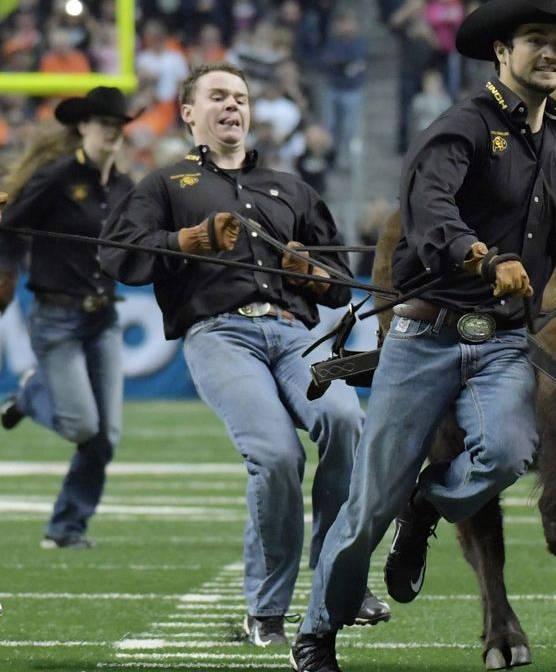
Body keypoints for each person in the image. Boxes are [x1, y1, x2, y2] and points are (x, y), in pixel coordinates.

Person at [290, 0, 556, 672]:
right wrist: (481, 257)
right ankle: (317, 632)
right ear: (501, 50)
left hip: (502, 346)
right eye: (537, 41)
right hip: (425, 337)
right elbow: (428, 209)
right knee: (369, 505)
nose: (552, 53)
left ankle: (426, 505)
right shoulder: (459, 127)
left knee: (509, 453)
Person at [99, 63, 390, 647]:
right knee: (276, 455)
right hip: (219, 335)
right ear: (189, 113)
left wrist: (312, 274)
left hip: (294, 337)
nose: (233, 105)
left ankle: (339, 579)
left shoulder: (292, 190)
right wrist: (186, 241)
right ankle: (267, 609)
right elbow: (116, 254)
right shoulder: (165, 185)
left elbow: (338, 282)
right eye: (218, 96)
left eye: (241, 97)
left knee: (344, 419)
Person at [0, 87, 136, 549]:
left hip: (104, 318)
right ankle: (31, 395)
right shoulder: (56, 176)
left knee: (106, 436)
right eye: (103, 124)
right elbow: (11, 222)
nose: (111, 132)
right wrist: (5, 267)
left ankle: (66, 527)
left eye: (117, 126)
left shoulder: (124, 187)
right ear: (83, 127)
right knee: (82, 426)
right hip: (55, 317)